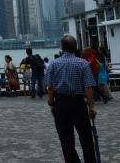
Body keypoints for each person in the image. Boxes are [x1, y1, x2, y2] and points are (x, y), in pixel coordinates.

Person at [44, 35, 98, 163]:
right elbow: (88, 88)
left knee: (66, 140)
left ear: (62, 48)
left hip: (61, 103)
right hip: (78, 103)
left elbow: (50, 87)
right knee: (86, 137)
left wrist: (52, 104)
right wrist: (91, 107)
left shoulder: (54, 64)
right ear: (75, 48)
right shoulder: (83, 63)